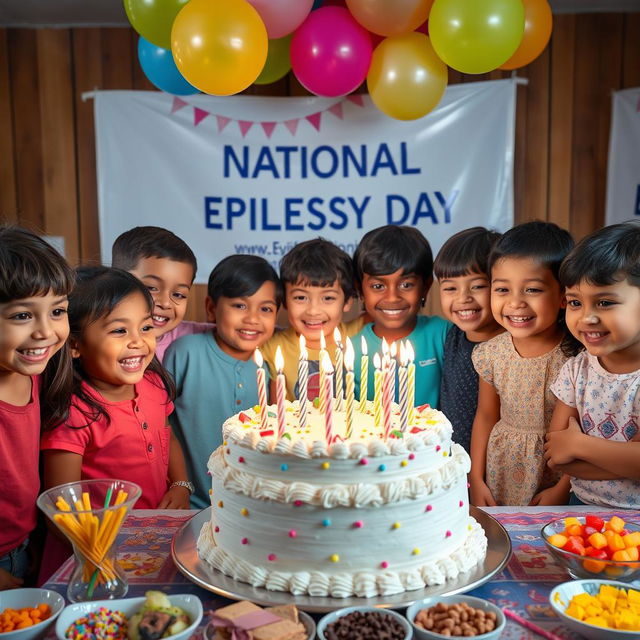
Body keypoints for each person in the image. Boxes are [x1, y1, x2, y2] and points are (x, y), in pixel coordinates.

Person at [41, 266, 191, 510]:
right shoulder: (72, 415)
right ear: (75, 344)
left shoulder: (154, 384)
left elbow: (168, 438)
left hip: (157, 533)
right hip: (100, 544)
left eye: (145, 327)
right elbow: (61, 508)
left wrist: (181, 485)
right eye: (119, 330)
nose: (138, 341)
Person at [469, 221, 580, 507]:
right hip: (501, 469)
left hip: (556, 478)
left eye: (532, 290)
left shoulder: (576, 357)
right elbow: (485, 415)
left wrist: (563, 489)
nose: (515, 303)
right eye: (503, 289)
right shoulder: (491, 354)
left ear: (563, 296)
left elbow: (583, 432)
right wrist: (476, 479)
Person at [164, 255, 282, 508]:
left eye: (266, 309)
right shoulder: (185, 352)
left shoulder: (273, 362)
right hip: (193, 503)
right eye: (240, 305)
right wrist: (179, 484)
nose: (253, 318)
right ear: (211, 307)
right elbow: (160, 424)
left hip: (254, 507)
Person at [545, 221, 640, 508]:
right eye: (575, 303)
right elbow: (557, 456)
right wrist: (625, 459)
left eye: (605, 302)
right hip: (580, 504)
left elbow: (570, 447)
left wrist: (581, 445)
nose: (586, 318)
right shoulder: (577, 371)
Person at [0, 226, 74, 590]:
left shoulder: (37, 375)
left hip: (27, 548)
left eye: (57, 311)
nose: (46, 331)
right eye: (21, 316)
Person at [351, 225, 450, 409]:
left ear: (426, 287)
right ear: (360, 289)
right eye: (378, 286)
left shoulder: (444, 335)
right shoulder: (351, 351)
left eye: (406, 285)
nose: (392, 297)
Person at [261, 238, 364, 402]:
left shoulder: (359, 333)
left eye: (328, 298)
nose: (313, 311)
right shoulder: (272, 347)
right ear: (285, 301)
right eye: (300, 297)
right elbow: (276, 412)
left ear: (348, 301)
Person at [434, 227, 504, 454]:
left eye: (477, 286)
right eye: (450, 288)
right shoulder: (452, 336)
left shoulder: (510, 345)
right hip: (451, 459)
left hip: (494, 464)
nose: (463, 298)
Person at [111, 226, 213, 361]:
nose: (165, 303)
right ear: (115, 281)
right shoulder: (101, 337)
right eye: (151, 288)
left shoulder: (191, 336)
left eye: (178, 295)